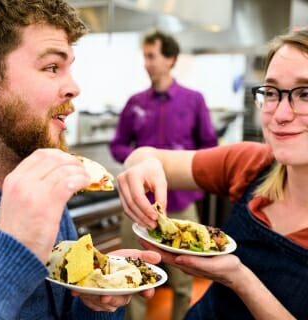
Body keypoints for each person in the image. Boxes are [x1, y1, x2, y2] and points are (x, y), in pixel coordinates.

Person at [116, 26, 308, 320]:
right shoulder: (252, 163)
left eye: (305, 93)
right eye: (271, 92)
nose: (280, 114)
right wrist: (144, 163)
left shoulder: (192, 100)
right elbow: (143, 155)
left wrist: (239, 279)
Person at [0, 1, 162, 319]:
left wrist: (96, 294)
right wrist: (12, 249)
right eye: (52, 67)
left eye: (70, 68)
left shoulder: (44, 184)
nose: (74, 88)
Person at [109, 29, 218, 320]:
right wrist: (134, 161)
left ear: (170, 59)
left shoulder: (194, 100)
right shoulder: (135, 103)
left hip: (181, 204)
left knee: (185, 277)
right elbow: (118, 144)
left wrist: (181, 165)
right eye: (144, 57)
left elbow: (209, 146)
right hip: (138, 205)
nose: (146, 63)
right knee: (132, 273)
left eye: (152, 56)